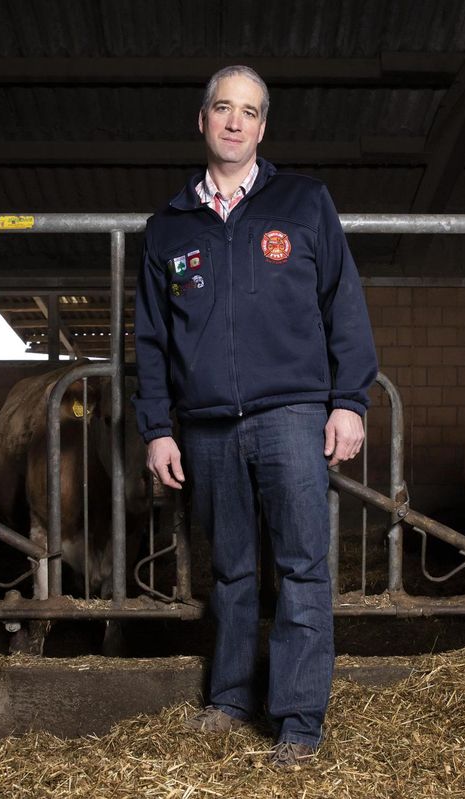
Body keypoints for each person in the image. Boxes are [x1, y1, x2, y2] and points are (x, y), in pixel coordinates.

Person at [132, 65, 378, 769]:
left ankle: (299, 722)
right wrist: (156, 426)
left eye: (249, 111)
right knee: (233, 571)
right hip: (206, 425)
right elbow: (150, 339)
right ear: (203, 120)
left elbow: (345, 306)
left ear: (263, 127)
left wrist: (349, 401)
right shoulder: (167, 227)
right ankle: (232, 696)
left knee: (302, 567)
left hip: (294, 415)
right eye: (222, 108)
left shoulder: (304, 203)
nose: (234, 122)